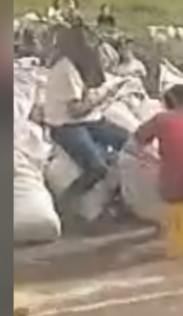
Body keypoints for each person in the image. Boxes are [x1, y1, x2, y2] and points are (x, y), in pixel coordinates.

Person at [42, 23, 130, 222]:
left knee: (130, 144)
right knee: (96, 168)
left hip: (90, 120)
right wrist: (102, 97)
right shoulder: (66, 69)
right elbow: (75, 111)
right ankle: (65, 204)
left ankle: (121, 197)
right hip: (66, 125)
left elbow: (91, 91)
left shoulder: (83, 65)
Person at [126, 84, 183, 256]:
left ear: (171, 101)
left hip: (173, 187)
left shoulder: (161, 120)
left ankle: (170, 233)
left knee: (143, 169)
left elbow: (138, 139)